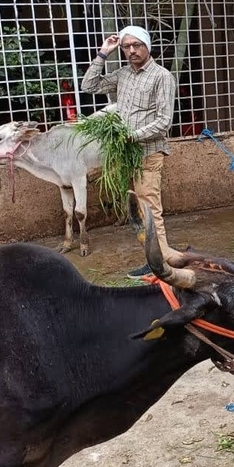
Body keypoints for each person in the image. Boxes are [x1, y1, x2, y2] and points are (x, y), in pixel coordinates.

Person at [81, 26, 178, 278]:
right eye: (126, 47)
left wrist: (131, 136)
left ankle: (164, 264)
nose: (132, 50)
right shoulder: (122, 74)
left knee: (150, 210)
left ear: (148, 46)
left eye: (137, 45)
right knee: (136, 211)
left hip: (148, 153)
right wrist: (103, 53)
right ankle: (154, 260)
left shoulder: (162, 77)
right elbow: (89, 85)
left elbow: (164, 121)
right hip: (126, 156)